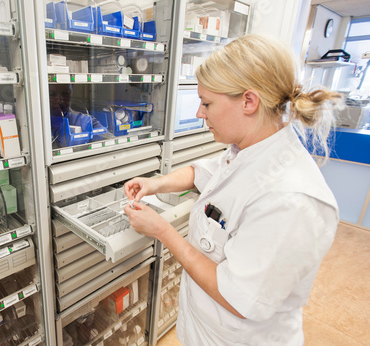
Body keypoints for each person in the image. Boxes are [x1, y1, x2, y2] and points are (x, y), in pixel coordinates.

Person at [123, 34, 343, 345]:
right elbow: (205, 173)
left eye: (207, 103)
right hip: (205, 330)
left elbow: (237, 297)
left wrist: (162, 230)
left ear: (249, 101)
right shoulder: (249, 147)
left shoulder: (291, 200)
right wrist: (154, 183)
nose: (200, 113)